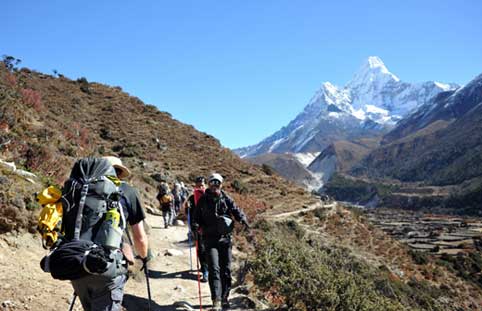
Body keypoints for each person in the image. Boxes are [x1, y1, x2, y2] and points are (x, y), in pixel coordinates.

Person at [70, 156, 149, 311]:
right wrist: (144, 257)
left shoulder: (81, 189)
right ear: (119, 172)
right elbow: (139, 237)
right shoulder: (128, 191)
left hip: (77, 262)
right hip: (108, 266)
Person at [193, 173, 249, 310]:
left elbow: (236, 210)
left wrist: (243, 219)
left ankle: (224, 297)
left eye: (217, 183)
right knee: (214, 269)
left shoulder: (226, 198)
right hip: (209, 239)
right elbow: (196, 217)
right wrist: (195, 226)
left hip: (225, 239)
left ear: (221, 184)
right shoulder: (203, 200)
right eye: (212, 183)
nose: (214, 186)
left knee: (226, 270)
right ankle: (216, 300)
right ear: (209, 184)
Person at [184, 176, 208, 282]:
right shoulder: (191, 198)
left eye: (202, 185)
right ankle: (205, 271)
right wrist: (187, 208)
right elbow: (187, 213)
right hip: (197, 228)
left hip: (210, 228)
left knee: (209, 249)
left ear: (205, 185)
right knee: (201, 249)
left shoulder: (210, 196)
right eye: (198, 185)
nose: (200, 187)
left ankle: (208, 268)